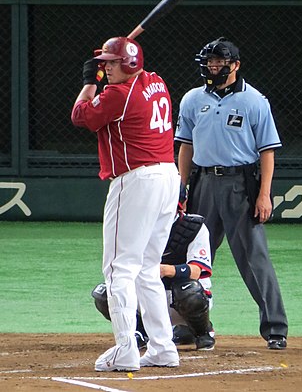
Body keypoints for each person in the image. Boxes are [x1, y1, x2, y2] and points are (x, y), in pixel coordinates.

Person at [71, 36, 181, 371]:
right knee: (147, 269)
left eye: (111, 62)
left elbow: (80, 116)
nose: (105, 66)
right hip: (167, 176)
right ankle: (162, 348)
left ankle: (126, 349)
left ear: (129, 64)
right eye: (103, 62)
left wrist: (90, 83)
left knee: (119, 269)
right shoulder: (156, 81)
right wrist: (111, 65)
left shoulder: (118, 94)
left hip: (136, 180)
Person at [174, 37, 288, 350]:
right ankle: (187, 326)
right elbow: (186, 145)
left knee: (254, 258)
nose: (213, 65)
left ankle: (275, 328)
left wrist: (264, 195)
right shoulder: (193, 99)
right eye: (209, 61)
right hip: (203, 183)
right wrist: (179, 187)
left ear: (234, 65)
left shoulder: (254, 101)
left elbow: (267, 152)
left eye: (219, 61)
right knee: (188, 255)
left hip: (241, 185)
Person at [92, 205, 215, 352]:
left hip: (178, 301)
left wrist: (165, 270)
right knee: (105, 293)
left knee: (189, 291)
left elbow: (196, 271)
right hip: (145, 298)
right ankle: (140, 331)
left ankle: (201, 331)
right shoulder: (136, 227)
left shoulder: (194, 228)